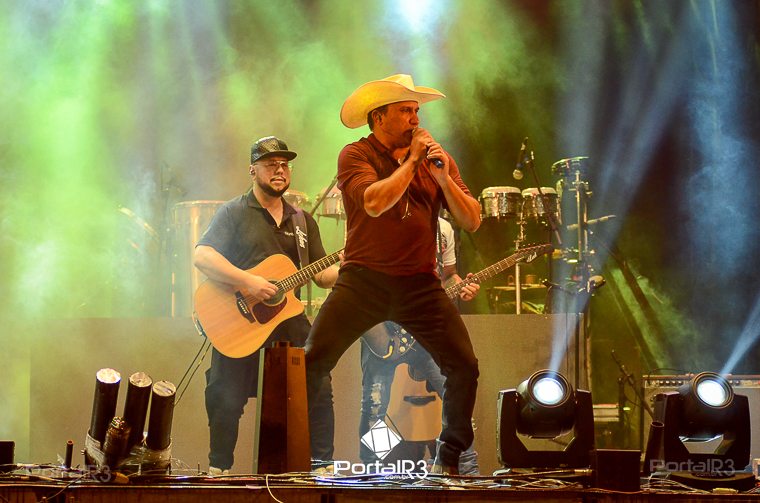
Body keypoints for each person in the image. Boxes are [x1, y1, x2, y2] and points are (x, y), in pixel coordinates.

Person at [305, 74, 482, 475]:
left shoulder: (437, 159)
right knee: (323, 367)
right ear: (379, 117)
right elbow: (374, 203)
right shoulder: (356, 154)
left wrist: (442, 178)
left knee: (463, 367)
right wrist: (412, 162)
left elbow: (472, 220)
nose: (415, 119)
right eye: (405, 111)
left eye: (417, 111)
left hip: (420, 286)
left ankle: (451, 458)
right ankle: (328, 461)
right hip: (364, 282)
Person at [194, 136, 339, 474]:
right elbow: (203, 256)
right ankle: (219, 470)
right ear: (252, 170)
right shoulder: (233, 212)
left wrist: (349, 265)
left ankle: (323, 467)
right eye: (271, 164)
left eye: (285, 164)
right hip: (239, 320)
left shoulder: (302, 221)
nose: (280, 170)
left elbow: (321, 275)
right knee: (224, 395)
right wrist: (248, 282)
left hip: (287, 319)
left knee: (318, 384)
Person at [359, 216, 481, 474]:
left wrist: (461, 286)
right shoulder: (378, 219)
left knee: (457, 397)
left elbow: (448, 276)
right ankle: (374, 473)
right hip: (384, 328)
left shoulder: (442, 228)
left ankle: (465, 469)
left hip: (425, 329)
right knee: (376, 407)